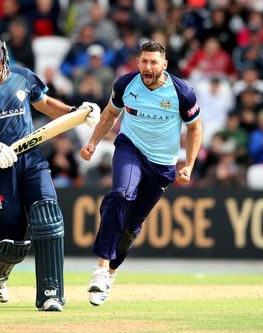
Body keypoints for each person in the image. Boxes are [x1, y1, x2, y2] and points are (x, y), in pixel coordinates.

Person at [0, 31, 100, 311]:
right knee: (12, 238)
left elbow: (44, 104)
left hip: (30, 157)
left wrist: (76, 112)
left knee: (48, 218)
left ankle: (51, 293)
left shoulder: (23, 76)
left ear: (5, 53)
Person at [79, 41, 202, 306]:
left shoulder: (183, 92)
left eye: (154, 62)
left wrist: (189, 164)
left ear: (164, 65)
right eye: (144, 61)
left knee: (131, 230)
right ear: (137, 62)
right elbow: (110, 114)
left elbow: (195, 129)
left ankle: (111, 272)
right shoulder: (126, 85)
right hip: (130, 148)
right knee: (121, 194)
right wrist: (92, 143)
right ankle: (100, 268)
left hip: (162, 166)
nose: (148, 67)